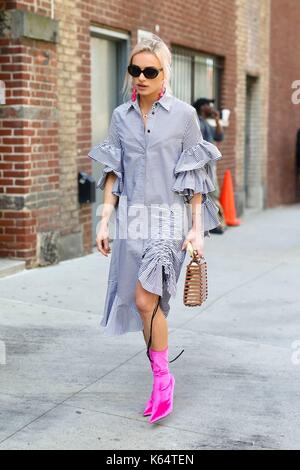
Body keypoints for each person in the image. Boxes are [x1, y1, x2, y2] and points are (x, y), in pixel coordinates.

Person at [88, 35, 222, 424]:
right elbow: (113, 171)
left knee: (147, 301)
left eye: (150, 71)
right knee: (143, 305)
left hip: (169, 218)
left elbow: (196, 177)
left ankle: (163, 380)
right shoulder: (119, 117)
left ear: (165, 74)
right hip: (132, 219)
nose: (141, 78)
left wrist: (197, 231)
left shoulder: (183, 116)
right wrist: (104, 219)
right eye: (135, 70)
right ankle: (159, 375)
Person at [193, 97, 226, 234]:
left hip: (209, 166)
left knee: (211, 194)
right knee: (212, 193)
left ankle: (214, 223)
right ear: (202, 107)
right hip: (203, 167)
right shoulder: (197, 123)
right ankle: (216, 224)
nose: (211, 108)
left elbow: (219, 137)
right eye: (208, 105)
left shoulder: (205, 122)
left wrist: (217, 119)